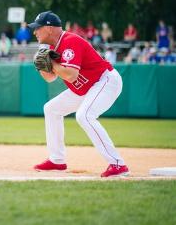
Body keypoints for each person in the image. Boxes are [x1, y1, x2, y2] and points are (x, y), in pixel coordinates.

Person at [29, 11, 129, 177]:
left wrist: (52, 62)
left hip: (104, 81)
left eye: (37, 28)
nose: (34, 32)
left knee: (85, 115)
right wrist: (41, 66)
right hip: (84, 88)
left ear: (49, 28)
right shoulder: (52, 47)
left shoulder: (70, 42)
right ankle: (57, 160)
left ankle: (117, 164)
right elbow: (50, 78)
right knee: (51, 109)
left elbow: (70, 75)